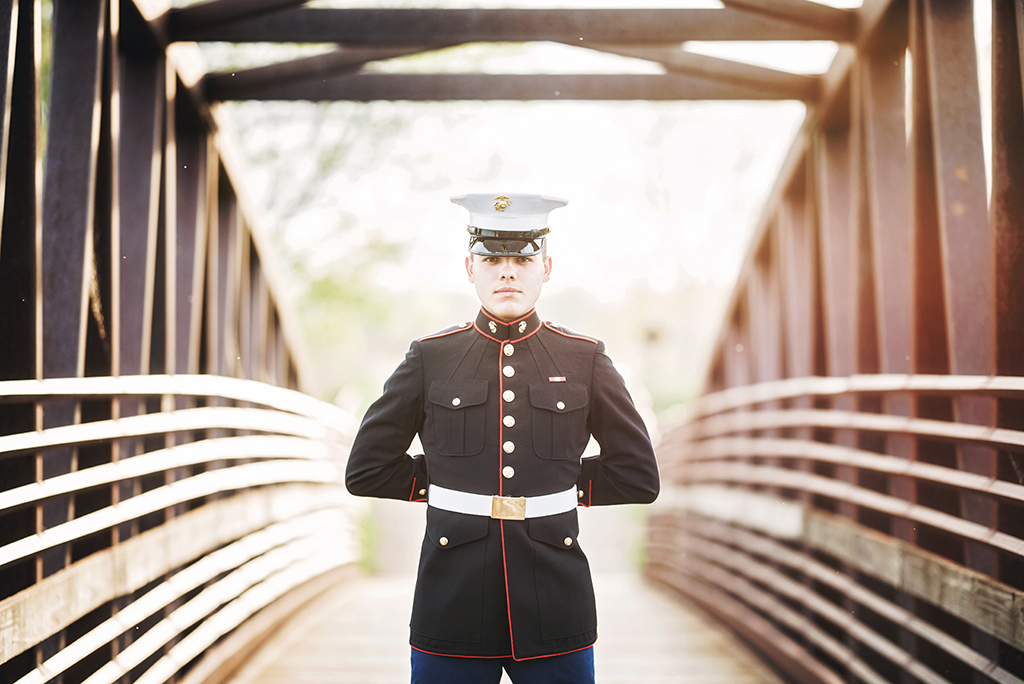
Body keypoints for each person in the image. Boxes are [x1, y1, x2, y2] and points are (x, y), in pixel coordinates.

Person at [345, 192, 660, 684]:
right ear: (470, 268)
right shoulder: (431, 357)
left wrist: (554, 486)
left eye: (523, 258)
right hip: (452, 604)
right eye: (491, 259)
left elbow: (638, 476)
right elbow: (367, 469)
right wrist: (450, 482)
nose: (507, 272)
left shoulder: (585, 358)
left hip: (555, 604)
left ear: (546, 267)